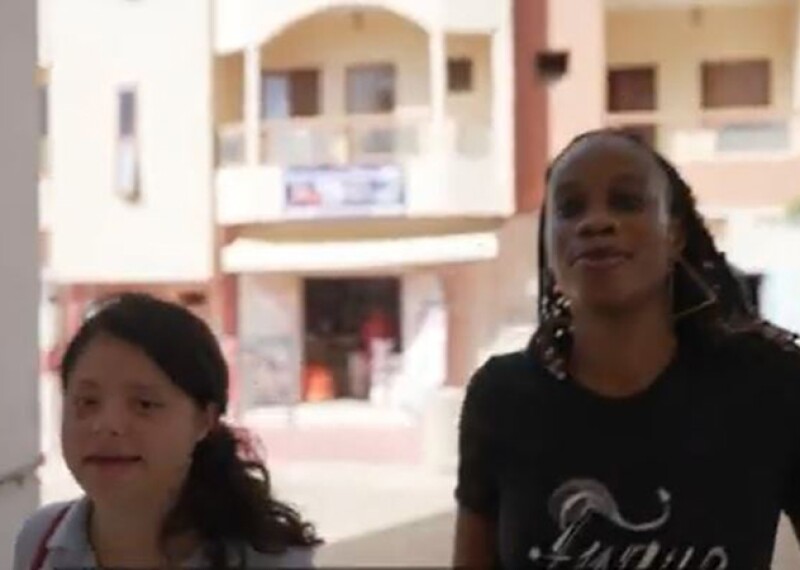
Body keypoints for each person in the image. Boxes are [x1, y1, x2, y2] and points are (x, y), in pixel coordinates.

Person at [453, 129, 800, 569]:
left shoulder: (769, 387)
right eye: (570, 208)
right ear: (549, 245)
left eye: (627, 201)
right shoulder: (501, 398)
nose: (595, 222)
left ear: (674, 234)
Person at [14, 293, 320, 570]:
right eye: (87, 401)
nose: (107, 425)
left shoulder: (267, 560)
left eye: (144, 404)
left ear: (204, 420)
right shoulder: (42, 541)